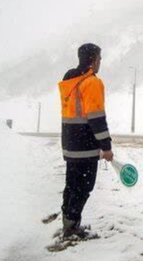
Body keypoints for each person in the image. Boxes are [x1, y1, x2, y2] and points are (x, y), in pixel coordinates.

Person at [58, 43, 114, 238]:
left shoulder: (70, 81)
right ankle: (72, 229)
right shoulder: (92, 82)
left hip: (70, 144)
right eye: (100, 58)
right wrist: (106, 146)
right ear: (93, 60)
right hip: (85, 146)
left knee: (72, 185)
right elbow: (97, 118)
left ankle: (68, 222)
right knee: (83, 188)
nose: (101, 62)